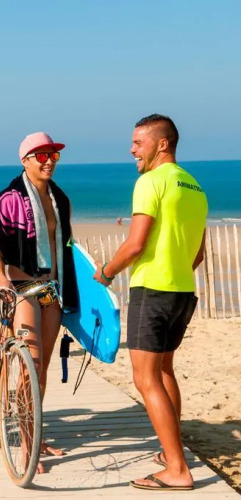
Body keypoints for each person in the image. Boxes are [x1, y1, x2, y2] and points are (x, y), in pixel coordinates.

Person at [94, 114, 206, 491]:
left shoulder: (150, 182)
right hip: (182, 291)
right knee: (164, 371)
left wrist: (106, 272)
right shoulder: (194, 186)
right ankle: (172, 452)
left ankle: (176, 469)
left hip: (152, 291)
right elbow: (198, 253)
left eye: (138, 143)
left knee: (145, 378)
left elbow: (135, 244)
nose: (131, 150)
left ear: (162, 144)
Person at [0, 132, 78, 472]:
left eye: (53, 154)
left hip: (50, 289)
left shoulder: (60, 199)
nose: (49, 160)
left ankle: (35, 434)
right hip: (23, 288)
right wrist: (3, 285)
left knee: (42, 368)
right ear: (25, 161)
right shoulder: (8, 200)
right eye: (41, 155)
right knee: (31, 364)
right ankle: (27, 444)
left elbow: (66, 248)